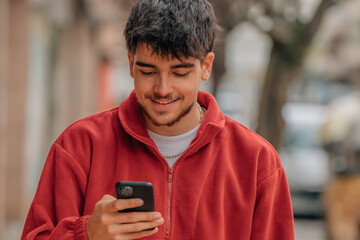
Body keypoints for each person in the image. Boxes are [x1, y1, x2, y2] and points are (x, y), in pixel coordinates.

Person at [21, 0, 294, 239]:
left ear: (206, 67)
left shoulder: (257, 161)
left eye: (179, 72)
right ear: (131, 64)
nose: (163, 89)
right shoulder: (79, 146)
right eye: (148, 71)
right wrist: (86, 235)